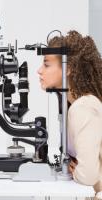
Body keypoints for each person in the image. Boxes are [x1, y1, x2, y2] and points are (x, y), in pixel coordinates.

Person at [37, 30, 102, 199]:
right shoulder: (77, 104)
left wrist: (77, 172)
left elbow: (88, 176)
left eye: (46, 64)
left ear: (68, 69)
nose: (39, 70)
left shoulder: (82, 107)